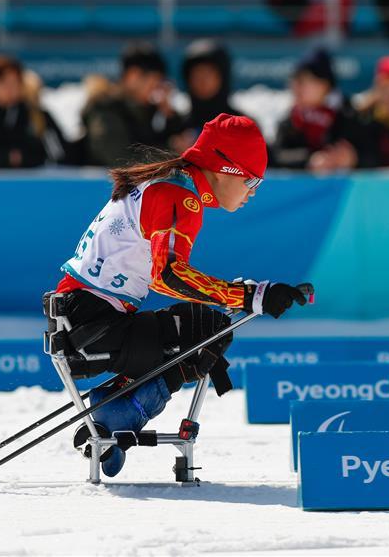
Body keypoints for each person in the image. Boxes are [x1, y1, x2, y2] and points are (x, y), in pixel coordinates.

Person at [49, 114, 310, 478]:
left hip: (83, 318)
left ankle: (114, 416)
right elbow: (167, 274)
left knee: (205, 326)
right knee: (206, 330)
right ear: (223, 169)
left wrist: (242, 295)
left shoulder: (171, 183)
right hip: (92, 328)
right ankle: (116, 416)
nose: (253, 191)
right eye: (251, 180)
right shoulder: (178, 196)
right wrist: (246, 296)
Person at [79, 42, 184, 167]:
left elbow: (155, 143)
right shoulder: (105, 109)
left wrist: (170, 116)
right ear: (133, 76)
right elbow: (120, 159)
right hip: (96, 185)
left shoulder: (146, 110)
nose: (157, 88)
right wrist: (172, 151)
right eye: (155, 81)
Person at [0, 55, 68, 168]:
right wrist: (6, 159)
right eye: (3, 83)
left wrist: (24, 159)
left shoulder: (38, 117)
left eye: (15, 83)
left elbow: (59, 156)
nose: (10, 89)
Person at [272, 47, 371, 171]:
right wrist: (309, 160)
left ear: (324, 85)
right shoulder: (291, 119)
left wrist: (354, 158)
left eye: (303, 81)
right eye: (294, 80)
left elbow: (378, 156)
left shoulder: (349, 116)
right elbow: (275, 156)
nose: (295, 87)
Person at [173, 39, 242, 153]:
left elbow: (270, 165)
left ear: (223, 77)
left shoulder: (241, 126)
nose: (202, 80)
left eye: (208, 73)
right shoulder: (177, 126)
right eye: (196, 74)